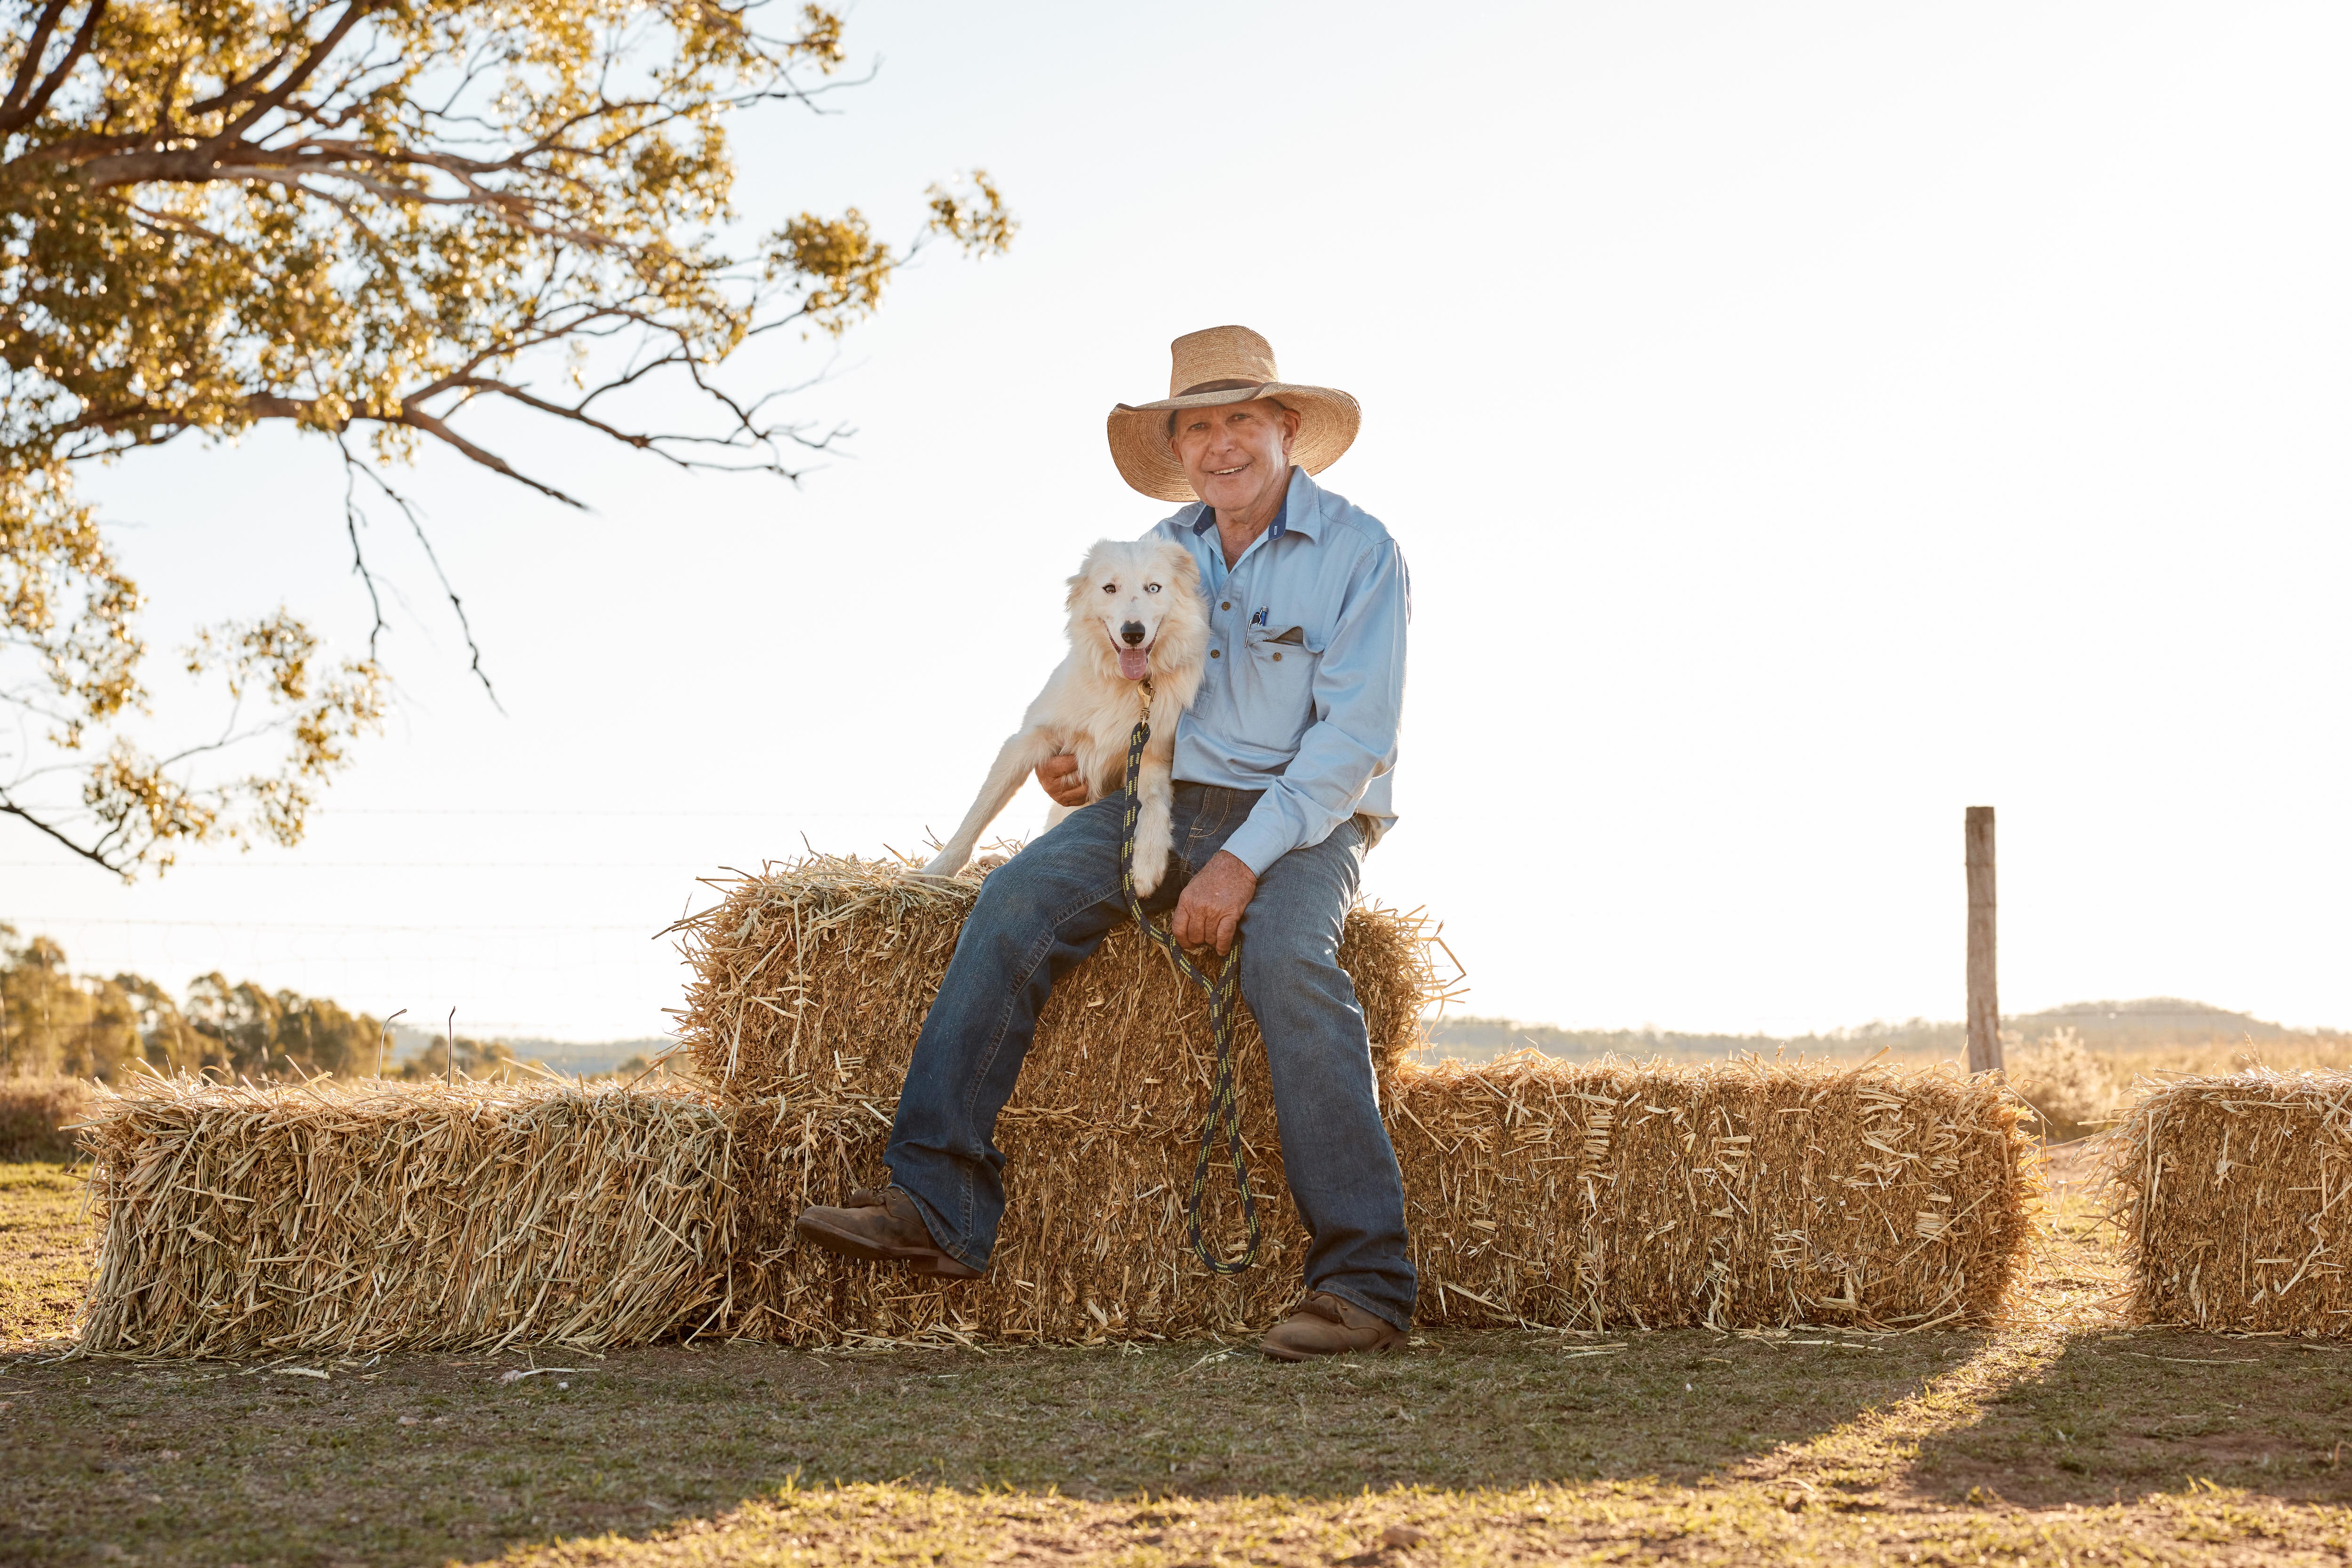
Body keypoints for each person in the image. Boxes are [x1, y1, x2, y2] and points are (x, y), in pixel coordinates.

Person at [794, 325, 1414, 1359]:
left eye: (1241, 421)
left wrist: (1239, 860)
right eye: (1198, 426)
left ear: (1287, 429)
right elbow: (1112, 698)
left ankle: (1365, 1281)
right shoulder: (1150, 558)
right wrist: (1081, 770)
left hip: (1307, 816)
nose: (1220, 445)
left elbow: (1351, 743)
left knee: (1289, 958)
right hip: (1165, 793)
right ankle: (936, 1202)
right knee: (1014, 900)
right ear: (1179, 444)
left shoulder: (1360, 552)